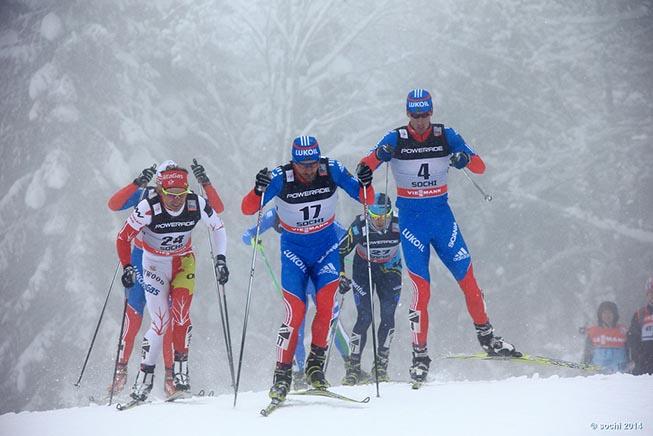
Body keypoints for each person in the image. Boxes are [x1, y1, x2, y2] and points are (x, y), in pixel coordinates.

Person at [359, 88, 520, 385]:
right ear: (408, 114)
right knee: (422, 291)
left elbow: (480, 166)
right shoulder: (395, 138)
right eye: (415, 115)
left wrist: (462, 157)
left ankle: (488, 338)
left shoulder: (446, 134)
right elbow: (363, 167)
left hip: (442, 220)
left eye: (425, 115)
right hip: (411, 223)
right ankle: (420, 356)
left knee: (469, 281)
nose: (420, 121)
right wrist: (377, 157)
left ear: (431, 113)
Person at [241, 135, 374, 402]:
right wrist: (258, 190)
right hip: (294, 254)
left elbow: (365, 198)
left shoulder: (331, 169)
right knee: (295, 312)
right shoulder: (281, 177)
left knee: (327, 305)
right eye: (303, 165)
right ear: (293, 162)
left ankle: (315, 363)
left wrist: (365, 181)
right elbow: (248, 209)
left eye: (313, 163)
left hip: (325, 250)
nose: (309, 169)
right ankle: (282, 375)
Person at [106, 160, 224, 397]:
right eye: (162, 177)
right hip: (143, 257)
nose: (175, 196)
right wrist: (136, 183)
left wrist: (205, 182)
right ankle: (121, 372)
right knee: (136, 313)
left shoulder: (188, 199)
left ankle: (171, 377)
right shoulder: (146, 196)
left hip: (176, 259)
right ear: (158, 181)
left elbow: (217, 211)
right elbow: (114, 205)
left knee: (174, 317)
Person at [241, 209, 351, 389]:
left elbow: (345, 234)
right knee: (297, 324)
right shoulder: (275, 213)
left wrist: (340, 256)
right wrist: (253, 240)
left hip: (318, 274)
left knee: (331, 318)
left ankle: (350, 364)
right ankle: (299, 374)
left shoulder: (315, 209)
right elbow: (247, 235)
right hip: (298, 274)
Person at [338, 192, 402, 385]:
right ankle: (353, 367)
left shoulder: (400, 223)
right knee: (365, 316)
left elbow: (418, 241)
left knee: (388, 316)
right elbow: (340, 251)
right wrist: (341, 276)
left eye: (384, 216)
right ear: (368, 214)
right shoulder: (359, 226)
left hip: (390, 270)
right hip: (363, 270)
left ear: (390, 213)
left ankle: (381, 366)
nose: (380, 221)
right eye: (375, 217)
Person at [582, 301, 627, 373]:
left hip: (620, 373)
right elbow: (587, 352)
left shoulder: (623, 330)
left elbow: (629, 350)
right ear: (600, 315)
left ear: (614, 315)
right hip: (598, 374)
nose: (607, 315)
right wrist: (586, 366)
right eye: (604, 313)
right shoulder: (593, 331)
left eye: (610, 313)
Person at [627, 278, 653, 375]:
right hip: (644, 363)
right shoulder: (640, 314)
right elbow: (633, 338)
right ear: (647, 294)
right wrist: (638, 357)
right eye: (651, 292)